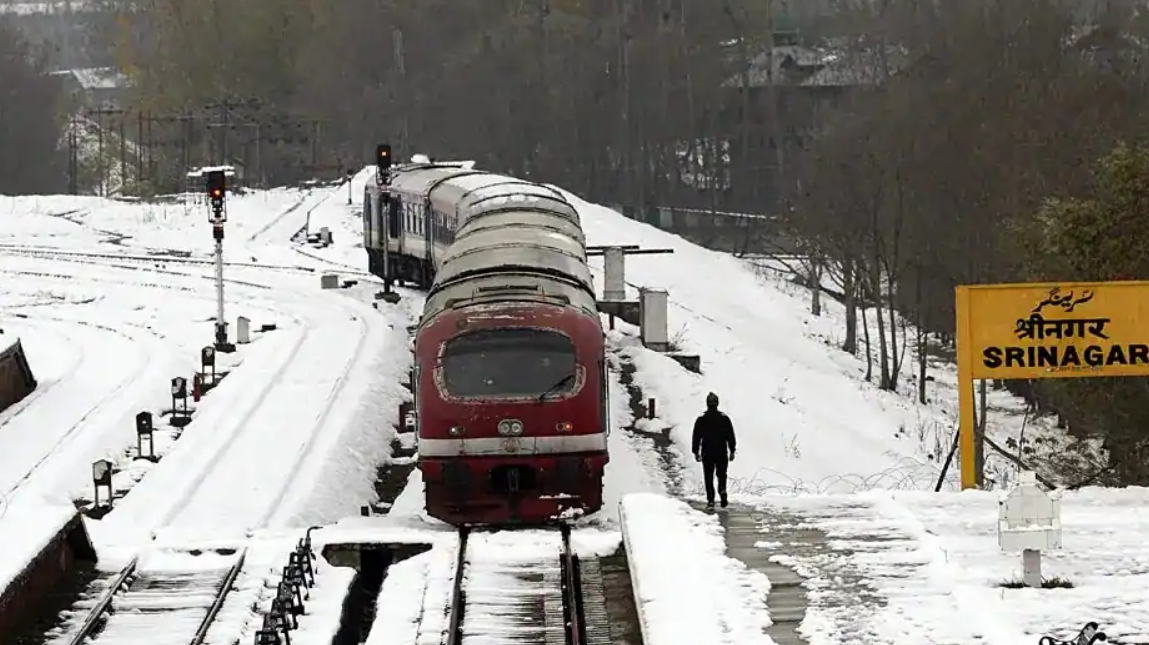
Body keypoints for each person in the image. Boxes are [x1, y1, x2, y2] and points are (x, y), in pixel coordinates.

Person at [691, 392, 736, 510]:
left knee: (709, 476)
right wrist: (732, 450)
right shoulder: (724, 419)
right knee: (722, 474)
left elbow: (696, 436)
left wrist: (696, 451)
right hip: (721, 451)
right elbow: (730, 435)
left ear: (707, 404)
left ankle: (711, 501)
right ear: (717, 403)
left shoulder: (702, 419)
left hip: (707, 452)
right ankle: (722, 490)